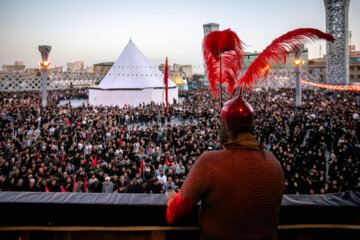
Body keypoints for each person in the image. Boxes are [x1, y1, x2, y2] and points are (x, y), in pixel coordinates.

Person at [165, 96, 284, 240]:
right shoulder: (274, 163)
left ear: (226, 127)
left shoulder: (209, 161)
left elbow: (176, 213)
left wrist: (171, 200)